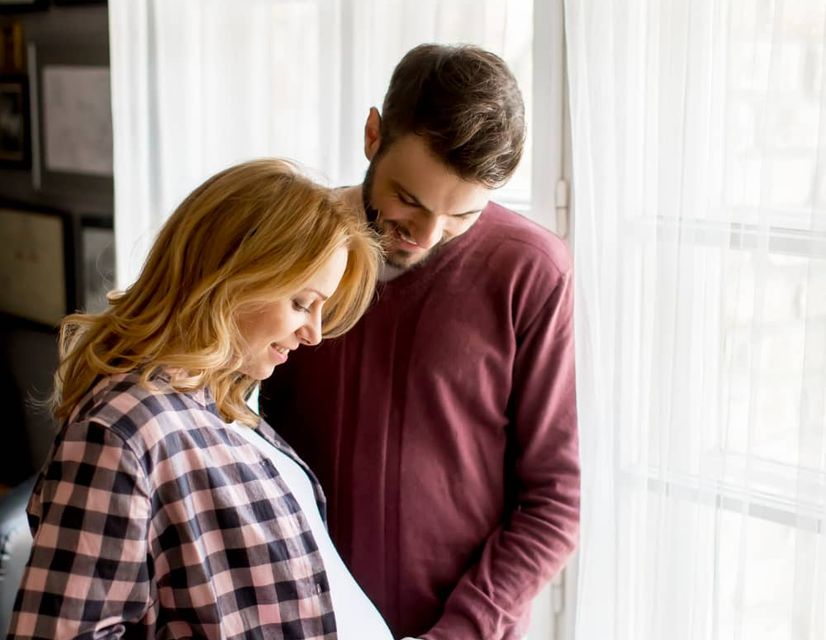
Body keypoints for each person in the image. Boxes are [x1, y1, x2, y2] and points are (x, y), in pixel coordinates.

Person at [260, 44, 580, 639]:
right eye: (409, 199)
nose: (426, 236)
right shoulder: (294, 248)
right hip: (298, 619)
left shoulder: (533, 272)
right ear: (372, 133)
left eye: (462, 215)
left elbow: (554, 501)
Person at [7, 159, 394, 639]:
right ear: (231, 278)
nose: (314, 333)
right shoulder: (122, 433)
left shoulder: (220, 401)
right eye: (300, 303)